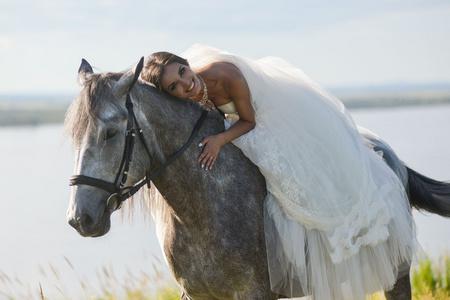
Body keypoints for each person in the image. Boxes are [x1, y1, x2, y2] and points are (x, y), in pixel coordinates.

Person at [141, 44, 418, 299]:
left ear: (187, 63)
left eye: (182, 71)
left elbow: (249, 121)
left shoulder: (226, 75)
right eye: (174, 86)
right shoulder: (187, 97)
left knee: (290, 180)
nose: (186, 84)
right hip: (238, 124)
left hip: (264, 121)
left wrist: (219, 140)